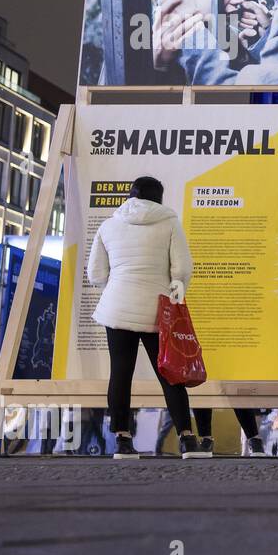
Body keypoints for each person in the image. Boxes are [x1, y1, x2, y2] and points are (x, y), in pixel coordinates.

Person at [87, 176, 199, 460]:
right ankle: (187, 440)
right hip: (155, 311)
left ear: (131, 195)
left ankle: (122, 441)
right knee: (169, 373)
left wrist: (119, 284)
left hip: (117, 308)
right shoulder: (169, 222)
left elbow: (96, 275)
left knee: (120, 373)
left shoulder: (108, 224)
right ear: (159, 197)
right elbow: (182, 268)